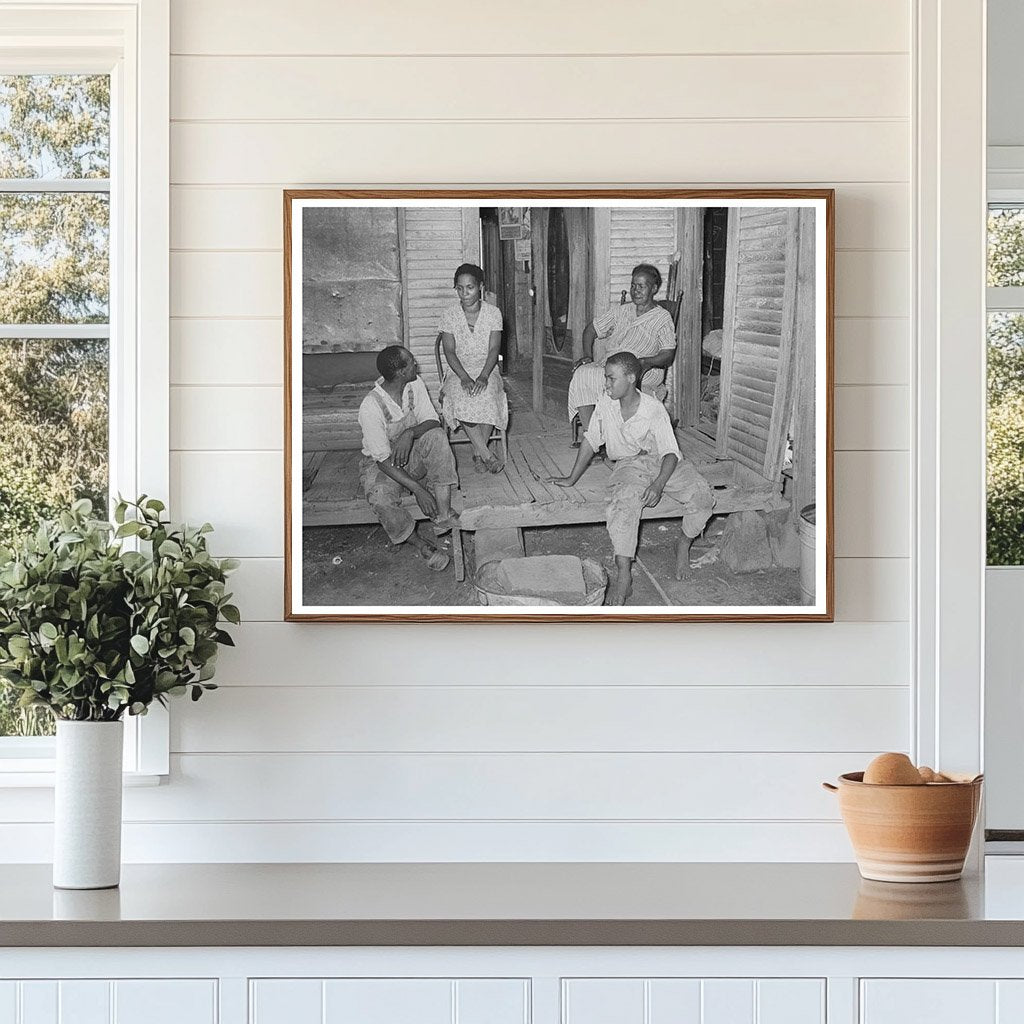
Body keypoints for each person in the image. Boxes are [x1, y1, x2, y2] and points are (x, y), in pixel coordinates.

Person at [551, 351, 714, 606]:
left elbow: (671, 453)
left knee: (703, 496)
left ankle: (683, 543)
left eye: (611, 379)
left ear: (630, 378)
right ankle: (624, 573)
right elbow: (592, 439)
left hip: (663, 462)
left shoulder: (653, 409)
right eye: (606, 378)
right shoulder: (606, 403)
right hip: (629, 464)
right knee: (623, 504)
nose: (605, 384)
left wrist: (658, 484)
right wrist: (571, 478)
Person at [356, 345, 461, 572]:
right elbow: (382, 460)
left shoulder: (415, 384)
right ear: (402, 372)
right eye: (412, 361)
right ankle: (419, 543)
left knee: (437, 436)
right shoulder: (371, 405)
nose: (416, 364)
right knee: (380, 497)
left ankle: (442, 514)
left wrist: (409, 433)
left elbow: (433, 420)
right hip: (383, 466)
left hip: (411, 455)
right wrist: (419, 490)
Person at [567, 263, 677, 433]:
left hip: (644, 369)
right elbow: (590, 329)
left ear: (654, 288)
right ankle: (592, 435)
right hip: (612, 364)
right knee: (583, 373)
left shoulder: (662, 318)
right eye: (633, 285)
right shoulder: (621, 311)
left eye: (642, 286)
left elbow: (668, 354)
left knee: (612, 378)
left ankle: (617, 435)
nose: (636, 291)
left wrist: (644, 362)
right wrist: (588, 355)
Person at [438, 262, 508, 473]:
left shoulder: (493, 313)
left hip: (487, 367)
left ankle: (478, 452)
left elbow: (494, 349)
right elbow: (449, 352)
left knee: (487, 395)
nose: (464, 293)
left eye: (469, 287)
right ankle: (486, 455)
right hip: (458, 370)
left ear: (480, 287)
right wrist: (465, 378)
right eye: (459, 288)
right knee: (462, 397)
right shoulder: (449, 315)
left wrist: (484, 376)